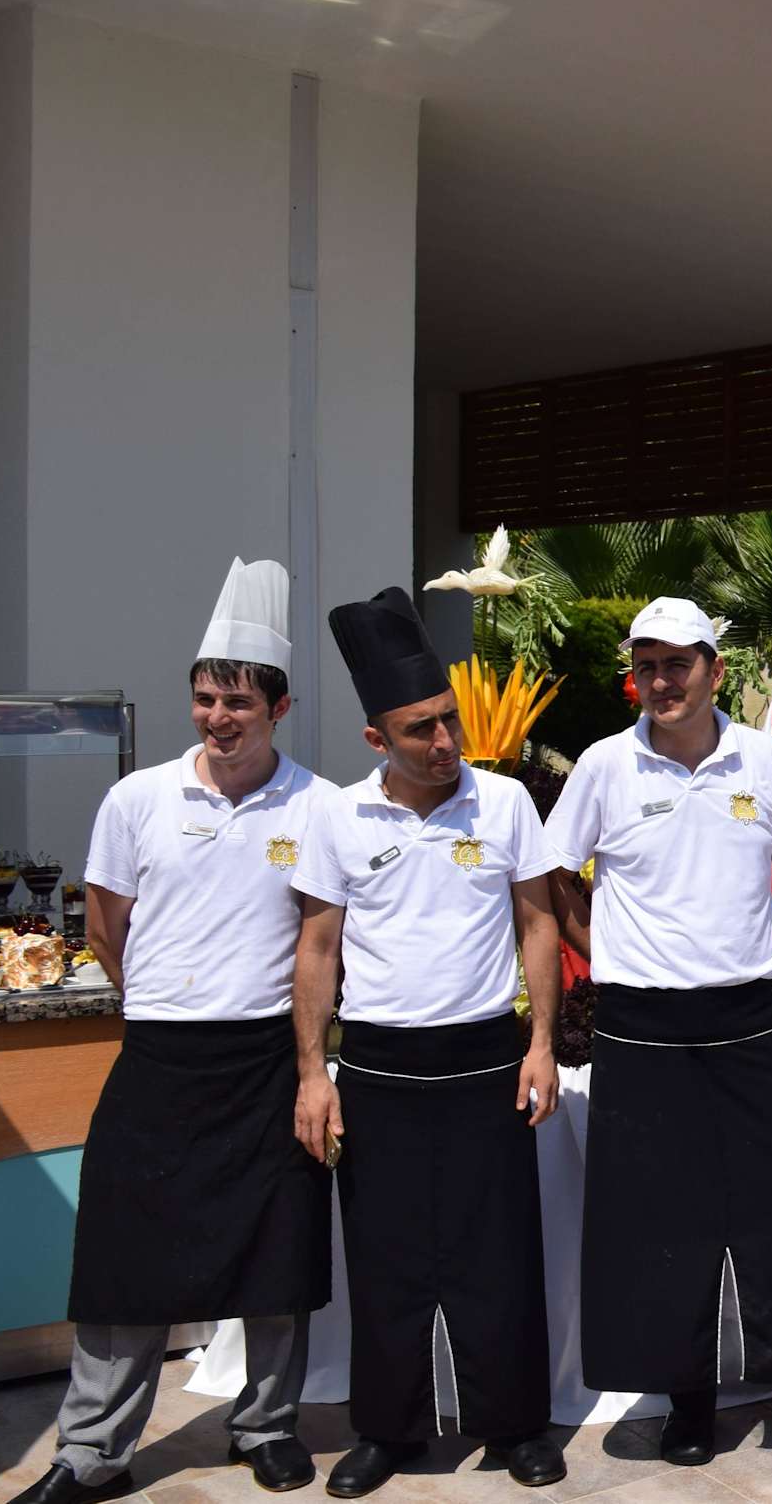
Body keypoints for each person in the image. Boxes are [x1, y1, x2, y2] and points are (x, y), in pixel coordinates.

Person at [10, 560, 332, 1504]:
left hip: (267, 1057)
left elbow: (320, 942)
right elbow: (106, 927)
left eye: (238, 702)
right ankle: (92, 1450)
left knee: (278, 1250)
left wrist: (312, 1066)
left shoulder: (317, 806)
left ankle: (266, 1426)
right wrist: (160, 997)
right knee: (123, 1254)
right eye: (204, 699)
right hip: (160, 1055)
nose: (217, 718)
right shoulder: (138, 799)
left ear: (280, 707)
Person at [542, 598, 772, 1465]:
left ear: (714, 670)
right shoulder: (605, 765)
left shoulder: (764, 758)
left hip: (748, 1015)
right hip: (640, 1024)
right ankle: (687, 1403)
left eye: (677, 664)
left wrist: (746, 941)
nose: (661, 681)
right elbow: (555, 875)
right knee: (657, 1219)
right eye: (646, 666)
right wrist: (604, 951)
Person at [288, 587, 567, 1496]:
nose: (445, 741)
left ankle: (516, 1425)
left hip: (487, 1058)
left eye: (449, 719)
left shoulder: (505, 802)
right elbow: (318, 948)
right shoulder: (338, 817)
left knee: (500, 1255)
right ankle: (389, 1430)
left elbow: (538, 924)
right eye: (421, 729)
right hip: (378, 1065)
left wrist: (542, 1041)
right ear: (378, 739)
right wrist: (313, 1074)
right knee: (386, 1260)